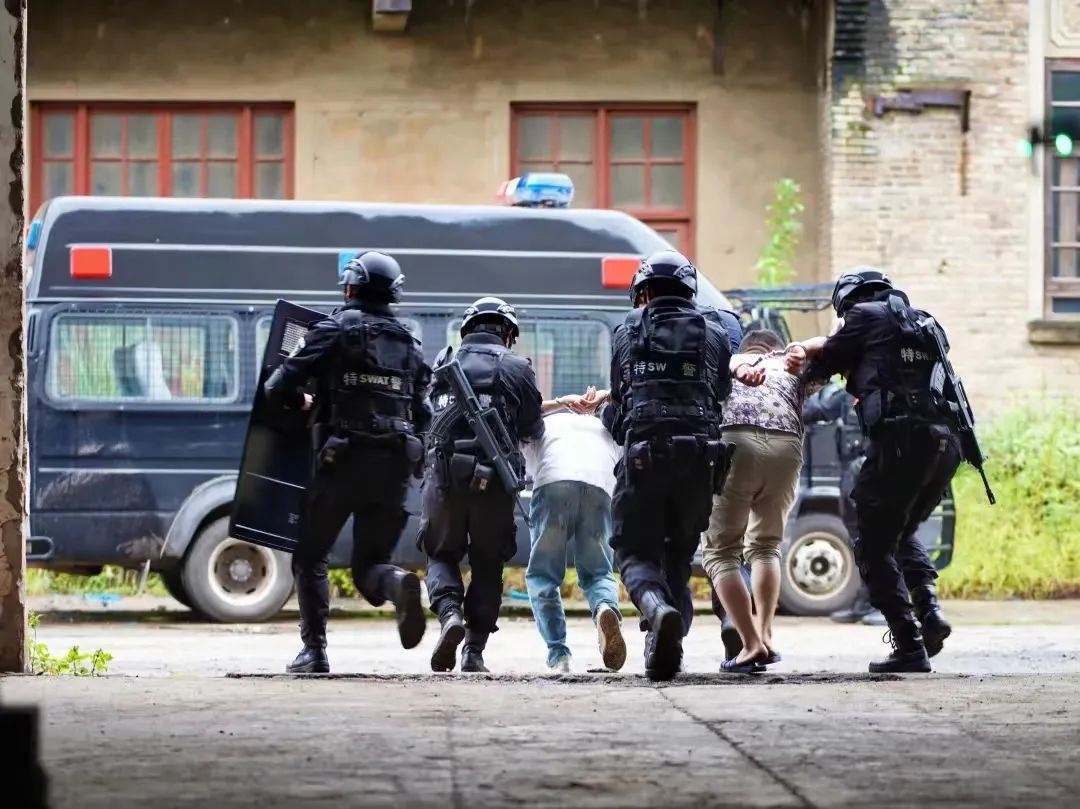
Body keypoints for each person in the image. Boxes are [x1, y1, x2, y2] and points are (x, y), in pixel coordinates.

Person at [590, 249, 762, 681]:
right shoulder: (716, 332)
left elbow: (620, 397)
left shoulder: (627, 329)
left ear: (643, 292)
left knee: (634, 550)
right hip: (700, 459)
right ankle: (668, 648)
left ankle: (656, 609)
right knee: (679, 556)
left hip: (643, 455)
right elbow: (721, 391)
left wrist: (606, 415)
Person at [264, 252, 433, 674]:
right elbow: (424, 414)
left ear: (350, 287)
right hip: (395, 464)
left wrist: (302, 403)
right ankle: (397, 582)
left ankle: (314, 652)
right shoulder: (409, 344)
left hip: (340, 462)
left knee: (310, 555)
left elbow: (277, 386)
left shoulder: (333, 330)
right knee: (369, 567)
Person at [788, 268, 961, 673]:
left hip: (901, 442)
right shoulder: (923, 321)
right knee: (900, 530)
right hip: (946, 445)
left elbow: (823, 366)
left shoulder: (863, 316)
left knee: (871, 543)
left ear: (849, 300)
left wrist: (793, 376)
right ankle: (929, 611)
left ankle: (908, 642)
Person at [420, 297, 545, 673]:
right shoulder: (517, 368)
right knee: (488, 565)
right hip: (494, 482)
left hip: (444, 481)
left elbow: (427, 419)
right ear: (508, 334)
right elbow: (532, 428)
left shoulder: (444, 364)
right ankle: (473, 652)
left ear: (467, 331)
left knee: (441, 554)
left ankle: (450, 615)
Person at [700, 329, 815, 673]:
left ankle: (750, 644)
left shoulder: (729, 360)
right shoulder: (791, 365)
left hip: (736, 441)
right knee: (766, 547)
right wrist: (802, 349)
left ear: (747, 348)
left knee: (721, 552)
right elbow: (830, 355)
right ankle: (765, 635)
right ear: (777, 348)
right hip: (787, 447)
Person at [523, 395, 625, 674]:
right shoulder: (604, 428)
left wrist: (558, 402)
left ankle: (559, 654)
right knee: (599, 571)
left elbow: (529, 463)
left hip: (554, 482)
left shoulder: (547, 423)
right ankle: (604, 608)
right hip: (600, 486)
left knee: (543, 575)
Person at [802, 383, 886, 626]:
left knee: (882, 540)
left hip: (879, 470)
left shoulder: (887, 390)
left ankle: (886, 605)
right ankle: (865, 602)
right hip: (851, 474)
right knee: (858, 542)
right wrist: (805, 386)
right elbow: (815, 413)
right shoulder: (845, 396)